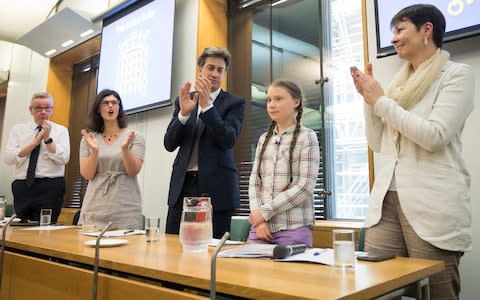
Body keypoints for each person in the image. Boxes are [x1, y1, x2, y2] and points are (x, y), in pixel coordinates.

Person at [350, 4, 474, 299]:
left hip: (432, 204)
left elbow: (435, 136)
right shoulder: (396, 86)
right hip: (386, 203)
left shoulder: (456, 74)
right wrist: (369, 101)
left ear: (426, 30)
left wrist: (380, 101)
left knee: (437, 293)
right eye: (392, 31)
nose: (393, 38)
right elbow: (377, 142)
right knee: (376, 290)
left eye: (400, 29)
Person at [164, 47, 246, 238]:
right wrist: (183, 114)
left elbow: (228, 139)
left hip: (216, 189)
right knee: (174, 246)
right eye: (210, 68)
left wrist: (207, 107)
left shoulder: (234, 103)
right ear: (200, 69)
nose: (215, 74)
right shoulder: (184, 100)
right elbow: (169, 144)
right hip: (183, 186)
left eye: (220, 70)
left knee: (210, 251)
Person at [248, 80, 319, 247]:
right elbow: (254, 183)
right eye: (269, 100)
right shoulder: (263, 139)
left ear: (296, 102)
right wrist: (259, 221)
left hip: (293, 228)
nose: (272, 105)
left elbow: (305, 186)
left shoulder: (307, 137)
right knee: (251, 272)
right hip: (260, 228)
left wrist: (264, 212)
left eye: (278, 99)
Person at [79, 89, 145, 229]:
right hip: (95, 205)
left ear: (119, 107)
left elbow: (133, 171)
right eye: (105, 103)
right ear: (98, 108)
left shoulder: (134, 136)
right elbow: (87, 174)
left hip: (124, 206)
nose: (110, 106)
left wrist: (125, 149)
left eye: (114, 103)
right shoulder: (89, 139)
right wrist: (95, 151)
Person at [4, 92, 70, 223]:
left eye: (47, 108)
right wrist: (34, 143)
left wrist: (47, 139)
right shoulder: (18, 129)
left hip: (50, 186)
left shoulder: (61, 130)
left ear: (52, 109)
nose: (43, 112)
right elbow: (9, 158)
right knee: (21, 228)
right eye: (38, 108)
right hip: (23, 185)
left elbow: (64, 159)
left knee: (46, 227)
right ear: (31, 110)